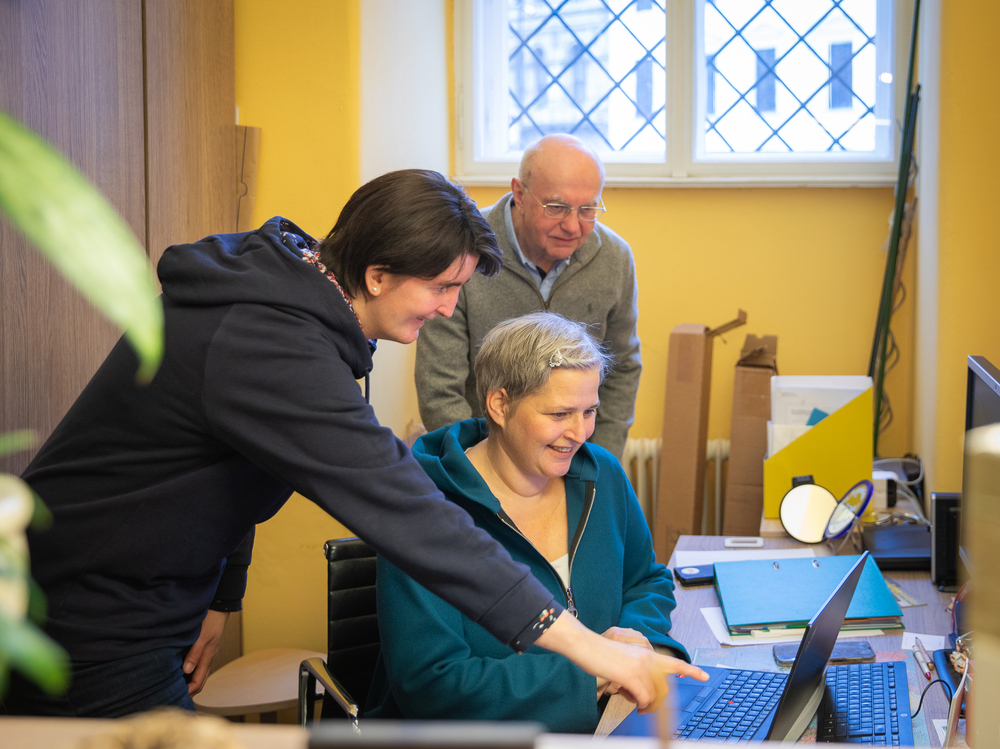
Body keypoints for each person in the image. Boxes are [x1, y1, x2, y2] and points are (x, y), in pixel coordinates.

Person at [5, 170, 685, 719]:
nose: (450, 309)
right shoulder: (269, 342)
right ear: (380, 272)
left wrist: (222, 595)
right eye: (443, 286)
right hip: (84, 613)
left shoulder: (299, 303)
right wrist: (592, 651)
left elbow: (240, 453)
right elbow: (409, 513)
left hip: (145, 602)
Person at [367, 312, 703, 733]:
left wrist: (636, 641)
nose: (580, 433)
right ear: (500, 404)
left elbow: (646, 580)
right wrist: (597, 669)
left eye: (590, 411)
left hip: (603, 723)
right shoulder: (423, 508)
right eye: (560, 414)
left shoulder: (603, 474)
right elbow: (434, 688)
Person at [415, 134, 640, 459]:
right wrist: (477, 471)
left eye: (588, 209)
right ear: (519, 194)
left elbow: (623, 367)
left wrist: (595, 463)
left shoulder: (615, 258)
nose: (573, 226)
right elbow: (438, 385)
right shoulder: (464, 251)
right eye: (557, 207)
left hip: (574, 459)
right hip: (483, 461)